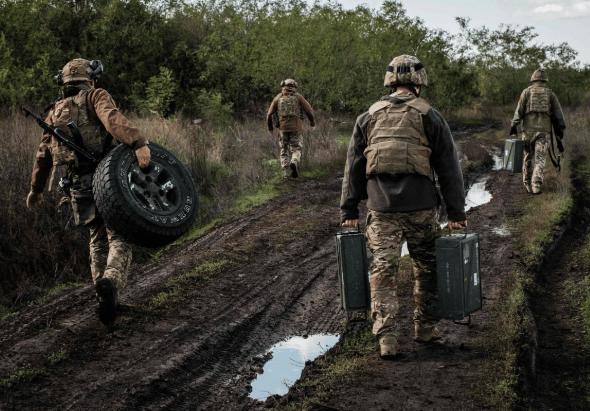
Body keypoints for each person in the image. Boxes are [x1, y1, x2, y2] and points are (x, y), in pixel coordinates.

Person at [340, 55, 467, 359]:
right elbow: (449, 168)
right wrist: (456, 214)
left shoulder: (367, 117)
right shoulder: (431, 116)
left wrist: (348, 210)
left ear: (389, 82)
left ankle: (386, 340)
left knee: (383, 272)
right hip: (421, 209)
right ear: (418, 83)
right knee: (428, 270)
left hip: (380, 210)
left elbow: (354, 166)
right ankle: (425, 329)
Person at [26, 58, 151, 325]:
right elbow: (112, 119)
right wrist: (138, 142)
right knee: (120, 235)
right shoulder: (95, 95)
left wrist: (36, 190)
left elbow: (43, 155)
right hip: (108, 178)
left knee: (96, 238)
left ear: (65, 82)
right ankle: (111, 283)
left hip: (77, 184)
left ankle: (104, 299)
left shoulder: (54, 112)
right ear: (89, 79)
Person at [510, 69, 566, 194]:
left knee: (528, 157)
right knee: (540, 159)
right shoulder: (551, 94)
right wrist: (560, 130)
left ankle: (527, 184)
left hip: (528, 132)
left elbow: (519, 110)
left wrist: (514, 126)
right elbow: (559, 114)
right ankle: (536, 185)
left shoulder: (526, 92)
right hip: (544, 132)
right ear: (545, 80)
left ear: (533, 79)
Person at [266, 79, 316, 178]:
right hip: (296, 128)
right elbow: (309, 111)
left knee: (283, 150)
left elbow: (269, 114)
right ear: (294, 87)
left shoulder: (278, 98)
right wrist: (312, 123)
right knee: (296, 148)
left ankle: (285, 173)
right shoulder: (299, 97)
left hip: (283, 128)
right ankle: (294, 161)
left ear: (283, 87)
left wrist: (270, 127)